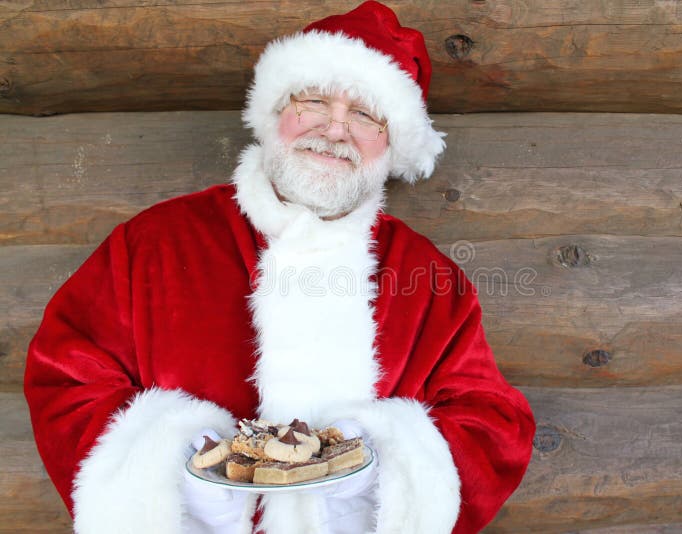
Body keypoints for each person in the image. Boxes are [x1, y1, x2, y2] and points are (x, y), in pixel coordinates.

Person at [24, 2, 535, 533]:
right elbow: (65, 377)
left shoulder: (430, 279)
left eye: (365, 114)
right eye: (314, 100)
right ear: (276, 112)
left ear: (392, 142)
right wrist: (179, 469)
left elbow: (493, 427)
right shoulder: (152, 243)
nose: (336, 131)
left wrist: (372, 471)